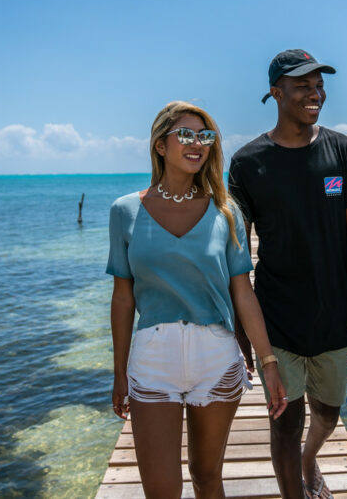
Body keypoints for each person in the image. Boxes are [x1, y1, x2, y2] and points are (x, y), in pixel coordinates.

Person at [107, 101, 287, 498]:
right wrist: (119, 371)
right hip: (153, 360)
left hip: (216, 358)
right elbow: (123, 299)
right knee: (161, 490)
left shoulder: (226, 211)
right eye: (185, 135)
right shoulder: (125, 211)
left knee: (208, 477)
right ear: (160, 145)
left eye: (205, 137)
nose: (197, 144)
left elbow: (243, 292)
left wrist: (267, 360)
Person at [229, 50, 347, 499]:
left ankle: (311, 458)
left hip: (336, 313)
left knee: (328, 415)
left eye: (319, 85)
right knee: (285, 421)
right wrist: (240, 322)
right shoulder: (247, 162)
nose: (315, 94)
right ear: (276, 93)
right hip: (276, 316)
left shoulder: (344, 151)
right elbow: (237, 251)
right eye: (303, 86)